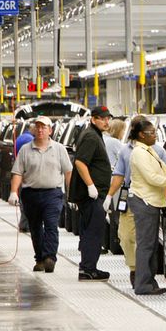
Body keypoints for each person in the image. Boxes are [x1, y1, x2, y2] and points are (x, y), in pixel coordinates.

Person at [103, 115, 166, 288]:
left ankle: (141, 274)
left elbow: (165, 173)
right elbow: (119, 175)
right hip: (130, 195)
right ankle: (136, 269)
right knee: (126, 236)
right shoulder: (125, 151)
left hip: (150, 198)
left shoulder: (158, 151)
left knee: (147, 240)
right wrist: (110, 195)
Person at [8, 116, 73, 273]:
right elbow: (17, 172)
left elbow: (68, 172)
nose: (40, 130)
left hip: (53, 194)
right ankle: (40, 258)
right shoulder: (25, 150)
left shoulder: (59, 149)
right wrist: (13, 192)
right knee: (35, 228)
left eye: (44, 127)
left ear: (50, 130)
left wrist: (72, 194)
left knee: (51, 225)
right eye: (37, 127)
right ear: (33, 130)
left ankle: (50, 257)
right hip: (30, 194)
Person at [124, 119, 166, 295]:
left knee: (151, 244)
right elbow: (152, 177)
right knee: (145, 244)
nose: (155, 135)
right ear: (141, 135)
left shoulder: (149, 151)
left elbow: (164, 169)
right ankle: (142, 285)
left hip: (151, 201)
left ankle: (149, 281)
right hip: (144, 201)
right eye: (151, 133)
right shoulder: (139, 153)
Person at [68, 106, 113, 281]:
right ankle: (88, 269)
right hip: (91, 195)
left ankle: (88, 267)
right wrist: (90, 185)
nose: (106, 121)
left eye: (108, 118)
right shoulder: (90, 137)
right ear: (94, 119)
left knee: (91, 230)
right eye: (103, 118)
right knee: (93, 231)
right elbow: (80, 162)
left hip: (95, 194)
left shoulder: (94, 135)